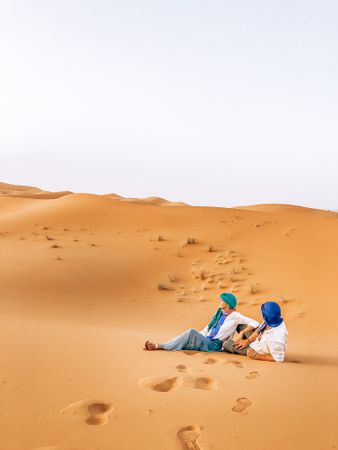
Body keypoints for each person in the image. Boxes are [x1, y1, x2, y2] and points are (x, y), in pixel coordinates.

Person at [144, 292, 259, 352]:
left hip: (214, 345)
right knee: (188, 339)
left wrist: (242, 333)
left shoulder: (235, 315)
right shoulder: (218, 314)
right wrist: (200, 335)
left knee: (190, 333)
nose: (220, 302)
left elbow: (255, 322)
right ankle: (166, 345)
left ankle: (159, 346)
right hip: (207, 339)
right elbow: (208, 328)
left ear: (228, 303)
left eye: (222, 300)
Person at [222, 301, 288, 362]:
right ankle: (239, 341)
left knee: (226, 344)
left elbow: (277, 359)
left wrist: (255, 355)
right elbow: (259, 330)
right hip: (257, 340)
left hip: (255, 350)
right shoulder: (274, 317)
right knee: (239, 325)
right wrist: (247, 341)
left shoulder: (277, 339)